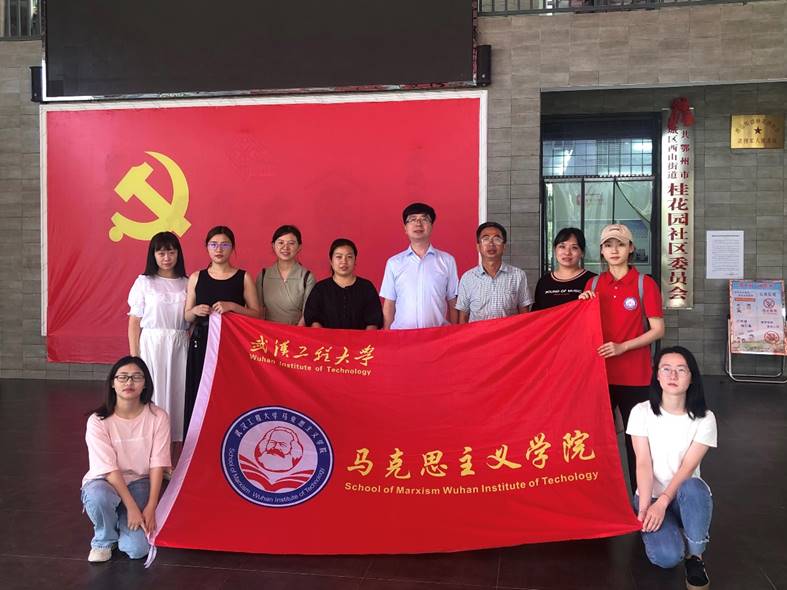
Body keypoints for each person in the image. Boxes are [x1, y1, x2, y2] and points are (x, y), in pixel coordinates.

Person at [578, 223, 665, 492]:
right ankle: (603, 497)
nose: (614, 250)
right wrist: (582, 305)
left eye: (620, 244)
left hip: (635, 376)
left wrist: (623, 347)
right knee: (597, 440)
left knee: (636, 440)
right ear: (601, 251)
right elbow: (583, 329)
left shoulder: (644, 284)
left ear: (631, 248)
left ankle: (642, 496)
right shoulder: (593, 284)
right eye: (608, 245)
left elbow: (658, 330)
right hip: (600, 375)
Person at [628, 346, 716, 590]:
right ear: (657, 375)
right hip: (650, 496)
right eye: (666, 369)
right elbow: (643, 463)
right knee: (666, 558)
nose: (673, 375)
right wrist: (646, 508)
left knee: (694, 486)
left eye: (681, 370)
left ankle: (695, 557)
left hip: (685, 495)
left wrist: (664, 502)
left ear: (691, 377)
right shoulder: (641, 412)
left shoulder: (705, 418)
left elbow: (688, 467)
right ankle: (672, 529)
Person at [81, 356, 171, 563]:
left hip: (140, 482)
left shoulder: (158, 416)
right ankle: (104, 539)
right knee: (99, 496)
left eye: (136, 377)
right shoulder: (98, 421)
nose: (129, 382)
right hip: (106, 482)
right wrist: (131, 507)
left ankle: (119, 521)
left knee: (136, 550)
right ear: (112, 383)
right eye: (122, 377)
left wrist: (151, 506)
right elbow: (109, 469)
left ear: (145, 383)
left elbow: (158, 463)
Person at [184, 226, 259, 435]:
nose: (219, 249)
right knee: (200, 392)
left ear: (233, 248)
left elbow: (257, 314)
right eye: (214, 244)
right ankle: (198, 439)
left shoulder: (243, 277)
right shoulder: (196, 277)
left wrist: (233, 307)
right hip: (202, 344)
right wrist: (195, 311)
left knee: (229, 393)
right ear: (206, 247)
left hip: (232, 347)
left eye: (225, 245)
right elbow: (186, 316)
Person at [127, 232, 189, 446]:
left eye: (171, 252)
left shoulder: (187, 283)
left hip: (179, 345)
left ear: (178, 254)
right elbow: (134, 322)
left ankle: (174, 446)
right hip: (152, 345)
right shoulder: (144, 282)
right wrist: (135, 357)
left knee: (177, 394)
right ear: (153, 255)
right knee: (153, 393)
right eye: (161, 253)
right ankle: (150, 448)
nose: (166, 258)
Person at [380, 202, 458, 329]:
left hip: (437, 334)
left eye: (424, 219)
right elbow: (389, 304)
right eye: (412, 219)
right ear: (405, 228)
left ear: (432, 226)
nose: (418, 224)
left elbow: (452, 301)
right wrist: (387, 335)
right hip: (402, 335)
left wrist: (455, 333)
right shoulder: (394, 263)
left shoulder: (447, 261)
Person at [455, 222, 531, 323]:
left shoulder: (518, 275)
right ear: (478, 246)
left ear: (504, 246)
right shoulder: (468, 278)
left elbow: (524, 314)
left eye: (497, 239)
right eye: (485, 239)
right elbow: (463, 317)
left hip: (508, 333)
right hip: (479, 333)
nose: (491, 244)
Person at [304, 238, 383, 330]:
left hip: (361, 339)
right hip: (326, 339)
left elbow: (373, 322)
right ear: (331, 261)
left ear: (355, 260)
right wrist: (324, 337)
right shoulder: (320, 289)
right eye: (339, 257)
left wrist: (365, 338)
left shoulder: (366, 288)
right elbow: (313, 319)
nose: (344, 261)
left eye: (349, 257)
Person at [257, 225, 316, 325]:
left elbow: (306, 314)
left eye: (291, 243)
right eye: (281, 243)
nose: (285, 247)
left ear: (299, 247)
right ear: (273, 245)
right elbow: (259, 311)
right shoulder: (264, 275)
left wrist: (294, 332)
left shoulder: (307, 277)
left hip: (295, 331)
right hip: (268, 331)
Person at [532, 227, 596, 311]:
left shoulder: (593, 280)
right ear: (555, 250)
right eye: (562, 246)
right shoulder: (544, 282)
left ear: (582, 253)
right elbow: (537, 315)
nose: (567, 252)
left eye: (574, 248)